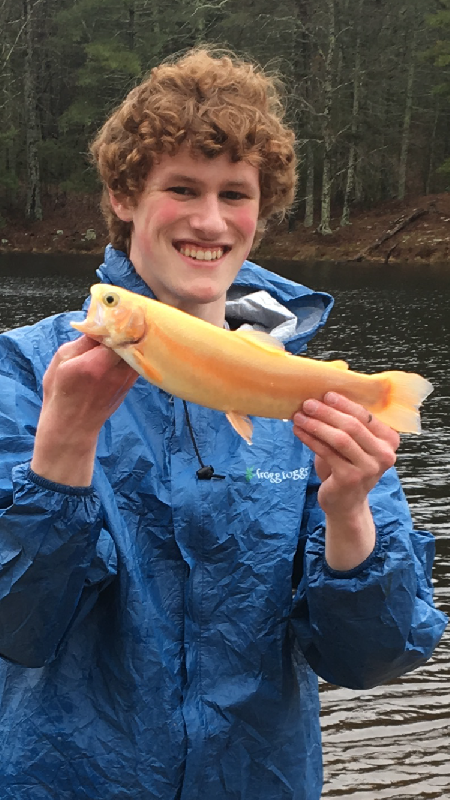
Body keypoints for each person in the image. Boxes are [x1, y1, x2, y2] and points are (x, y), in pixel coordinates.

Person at [0, 48, 446, 800]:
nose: (210, 221)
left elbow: (370, 660)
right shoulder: (23, 373)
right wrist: (66, 444)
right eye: (181, 188)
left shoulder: (307, 391)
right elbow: (20, 628)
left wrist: (349, 515)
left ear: (262, 213)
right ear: (123, 195)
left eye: (236, 195)